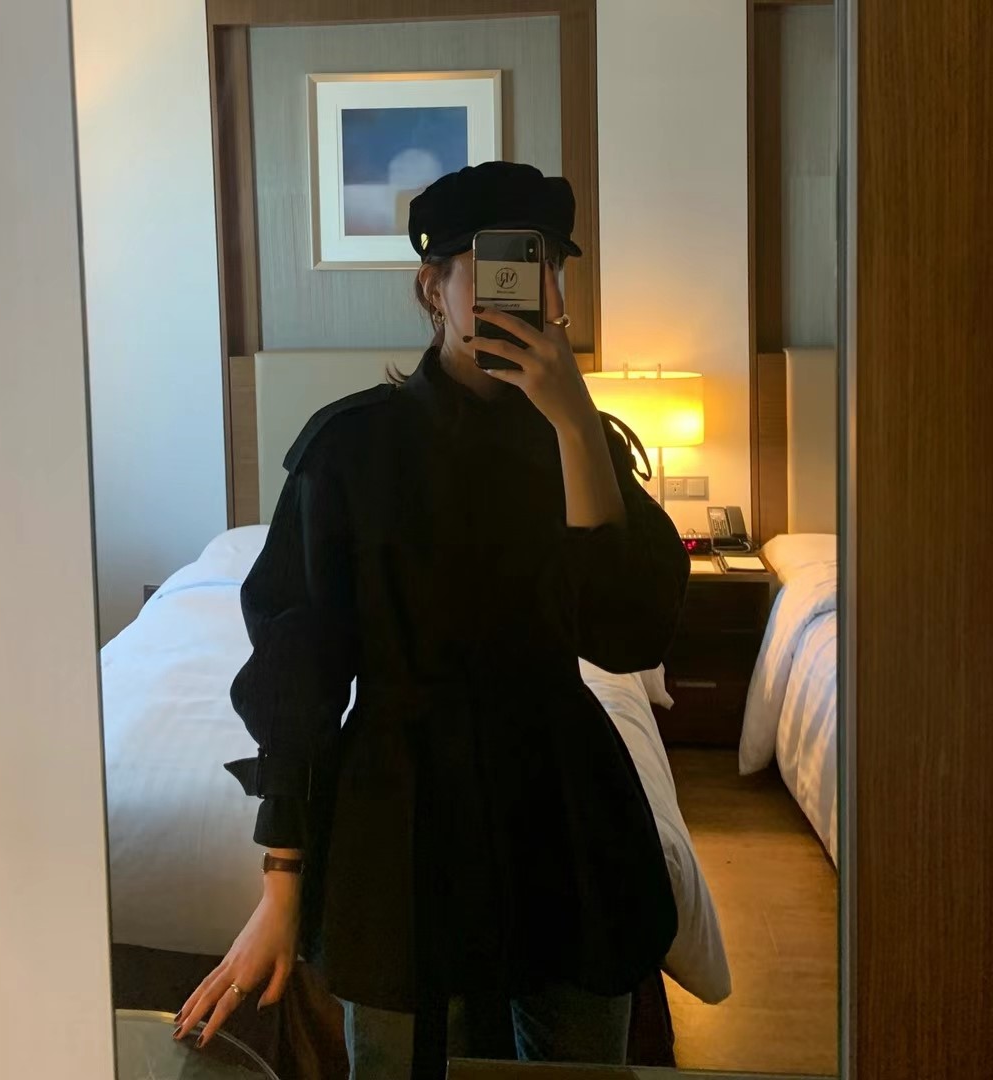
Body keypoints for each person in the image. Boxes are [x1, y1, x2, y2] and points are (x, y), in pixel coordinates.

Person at [172, 161, 690, 1080]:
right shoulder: (351, 449)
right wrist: (282, 883)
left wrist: (576, 426)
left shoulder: (585, 442)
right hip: (396, 821)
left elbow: (625, 635)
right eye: (495, 266)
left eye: (545, 265)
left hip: (564, 812)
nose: (526, 287)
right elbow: (299, 667)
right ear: (433, 287)